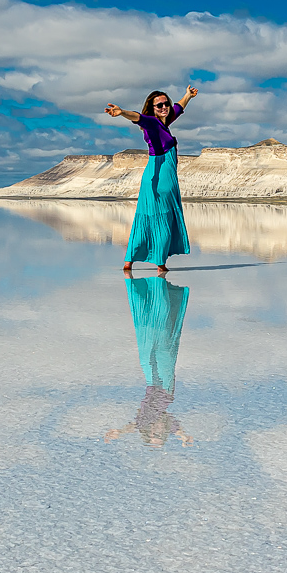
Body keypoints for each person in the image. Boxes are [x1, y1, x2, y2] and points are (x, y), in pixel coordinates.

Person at [104, 86, 198, 273]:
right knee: (163, 216)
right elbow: (138, 117)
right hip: (162, 175)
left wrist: (188, 95)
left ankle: (129, 262)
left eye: (166, 104)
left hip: (152, 175)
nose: (164, 107)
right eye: (159, 105)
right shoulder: (153, 123)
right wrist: (122, 112)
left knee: (145, 217)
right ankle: (160, 263)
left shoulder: (165, 121)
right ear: (152, 109)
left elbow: (179, 107)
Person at [104, 275, 194, 448]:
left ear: (148, 432)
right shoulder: (165, 418)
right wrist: (182, 436)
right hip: (165, 387)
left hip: (152, 383)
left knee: (146, 350)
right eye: (160, 435)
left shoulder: (144, 420)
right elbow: (175, 427)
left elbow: (134, 426)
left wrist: (119, 432)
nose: (156, 431)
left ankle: (152, 295)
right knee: (164, 345)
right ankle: (161, 294)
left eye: (153, 434)